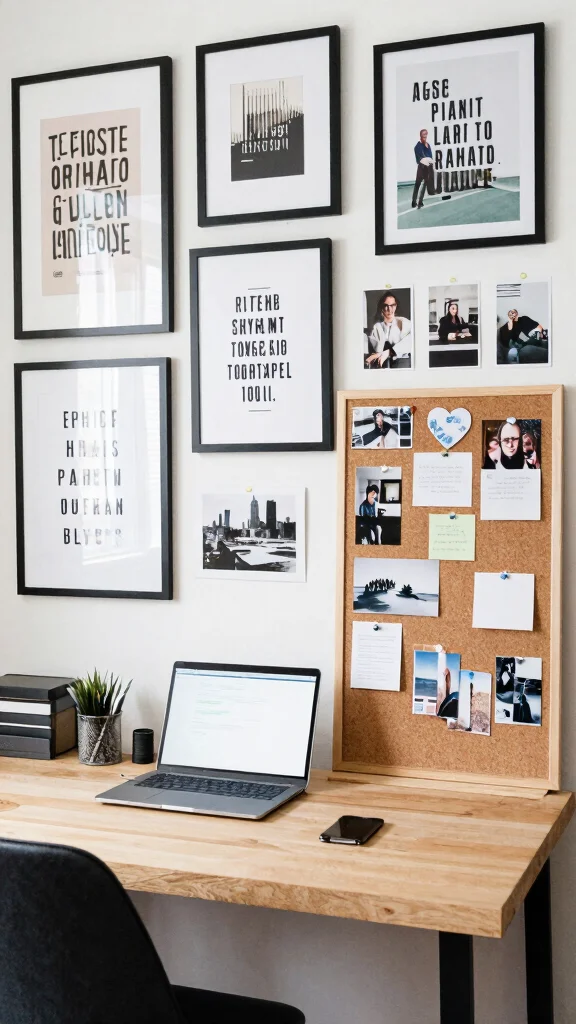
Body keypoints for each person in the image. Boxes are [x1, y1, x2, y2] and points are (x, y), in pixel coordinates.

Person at [365, 292, 412, 368]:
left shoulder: (404, 322)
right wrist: (379, 354)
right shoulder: (377, 326)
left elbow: (412, 340)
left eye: (392, 305)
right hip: (383, 362)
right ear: (381, 307)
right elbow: (377, 348)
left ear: (396, 306)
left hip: (401, 360)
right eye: (386, 306)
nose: (389, 309)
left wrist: (389, 352)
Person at [412, 129, 434, 209]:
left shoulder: (428, 145)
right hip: (421, 167)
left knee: (425, 184)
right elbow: (420, 157)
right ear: (420, 135)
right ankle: (414, 202)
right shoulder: (418, 146)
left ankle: (420, 202)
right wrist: (425, 160)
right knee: (417, 184)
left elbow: (430, 156)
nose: (425, 136)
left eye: (426, 134)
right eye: (424, 135)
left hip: (428, 168)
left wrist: (430, 161)